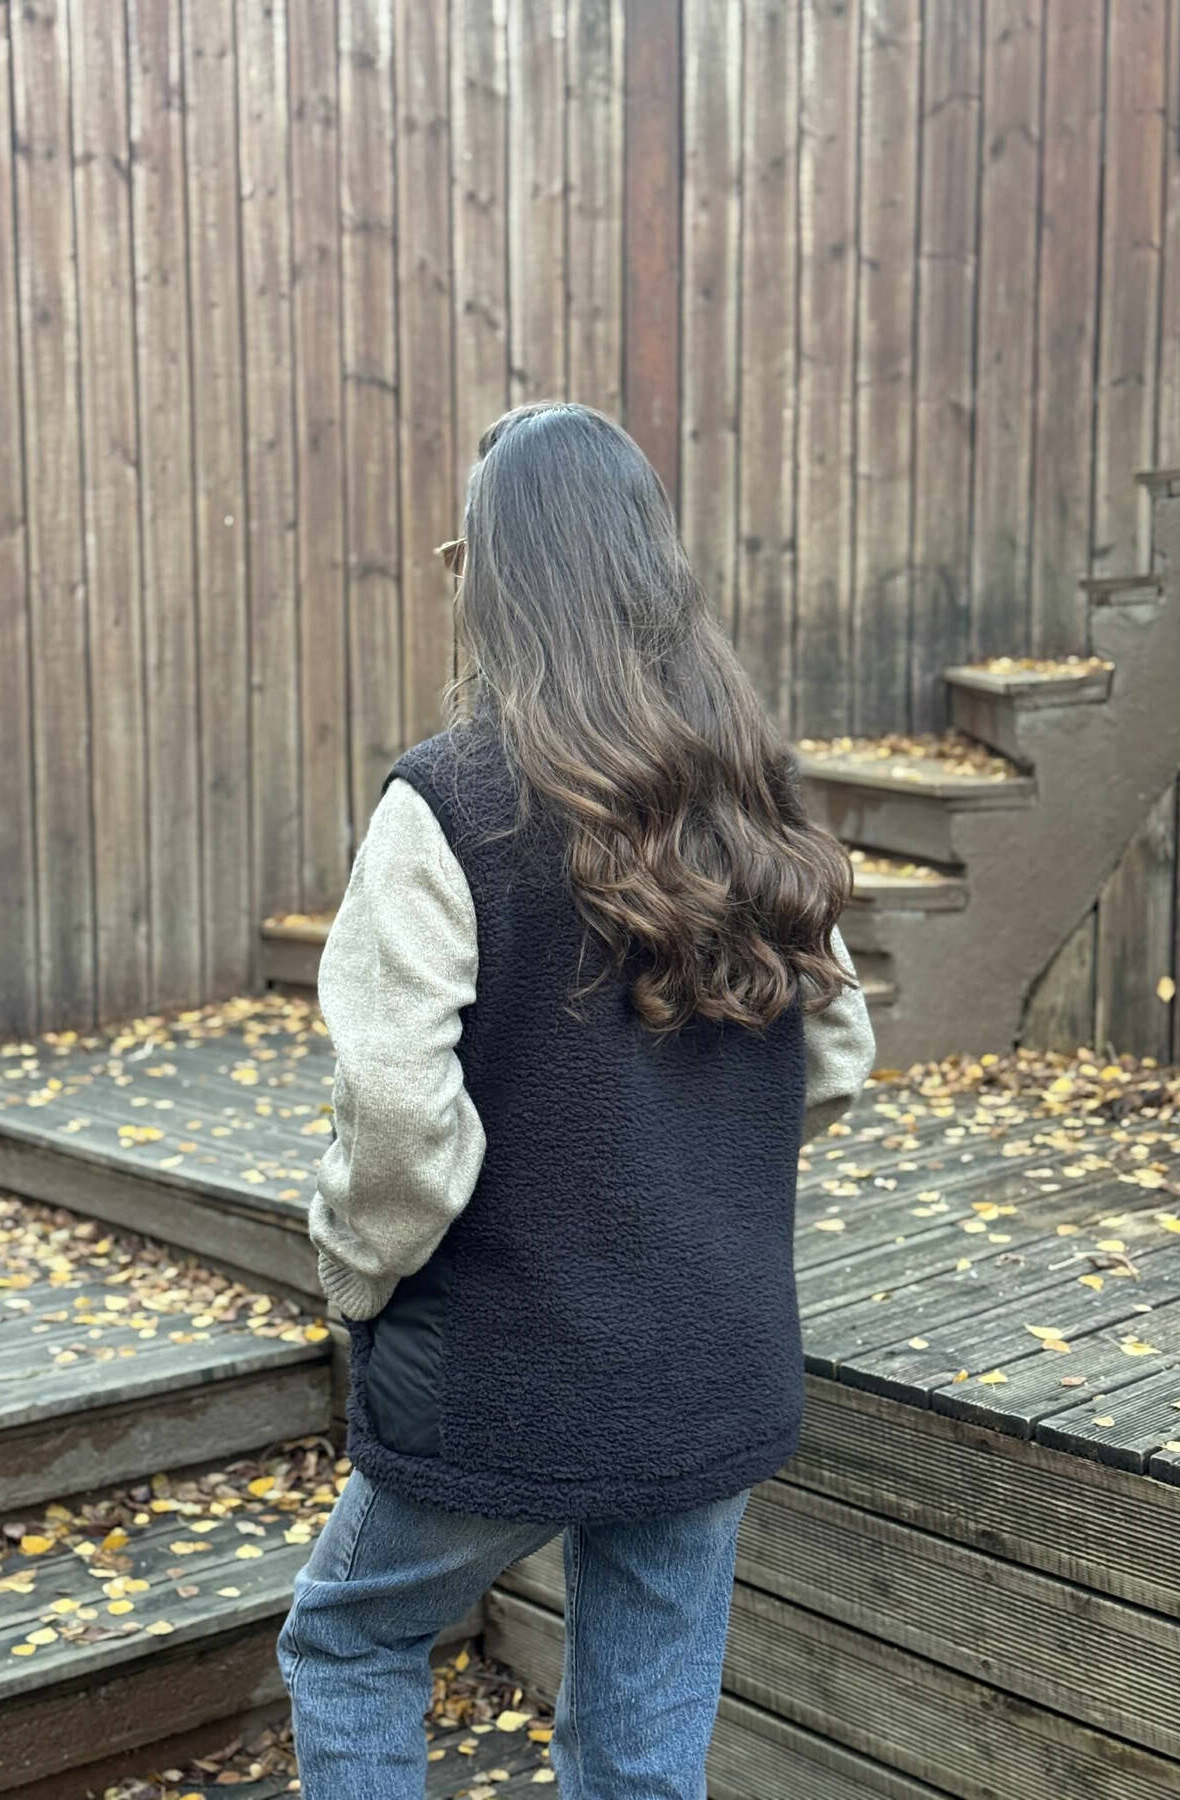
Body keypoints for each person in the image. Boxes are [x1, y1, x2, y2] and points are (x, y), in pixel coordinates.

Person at [277, 401, 877, 1798]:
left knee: (352, 1642)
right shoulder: (753, 792)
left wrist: (356, 1275)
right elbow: (836, 1059)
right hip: (714, 1357)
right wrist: (700, 1175)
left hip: (503, 1369)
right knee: (640, 1747)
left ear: (494, 578)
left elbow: (401, 1130)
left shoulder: (448, 802)